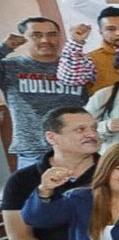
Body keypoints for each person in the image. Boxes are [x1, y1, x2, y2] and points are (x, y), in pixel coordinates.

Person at [1, 106, 100, 240]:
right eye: (80, 129)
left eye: (94, 128)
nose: (91, 134)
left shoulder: (114, 171)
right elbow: (19, 239)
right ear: (52, 137)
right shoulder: (22, 180)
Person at [1, 17, 89, 162]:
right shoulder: (9, 66)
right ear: (23, 38)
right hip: (33, 151)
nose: (45, 40)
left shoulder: (76, 65)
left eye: (52, 34)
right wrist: (4, 48)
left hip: (78, 147)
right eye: (36, 35)